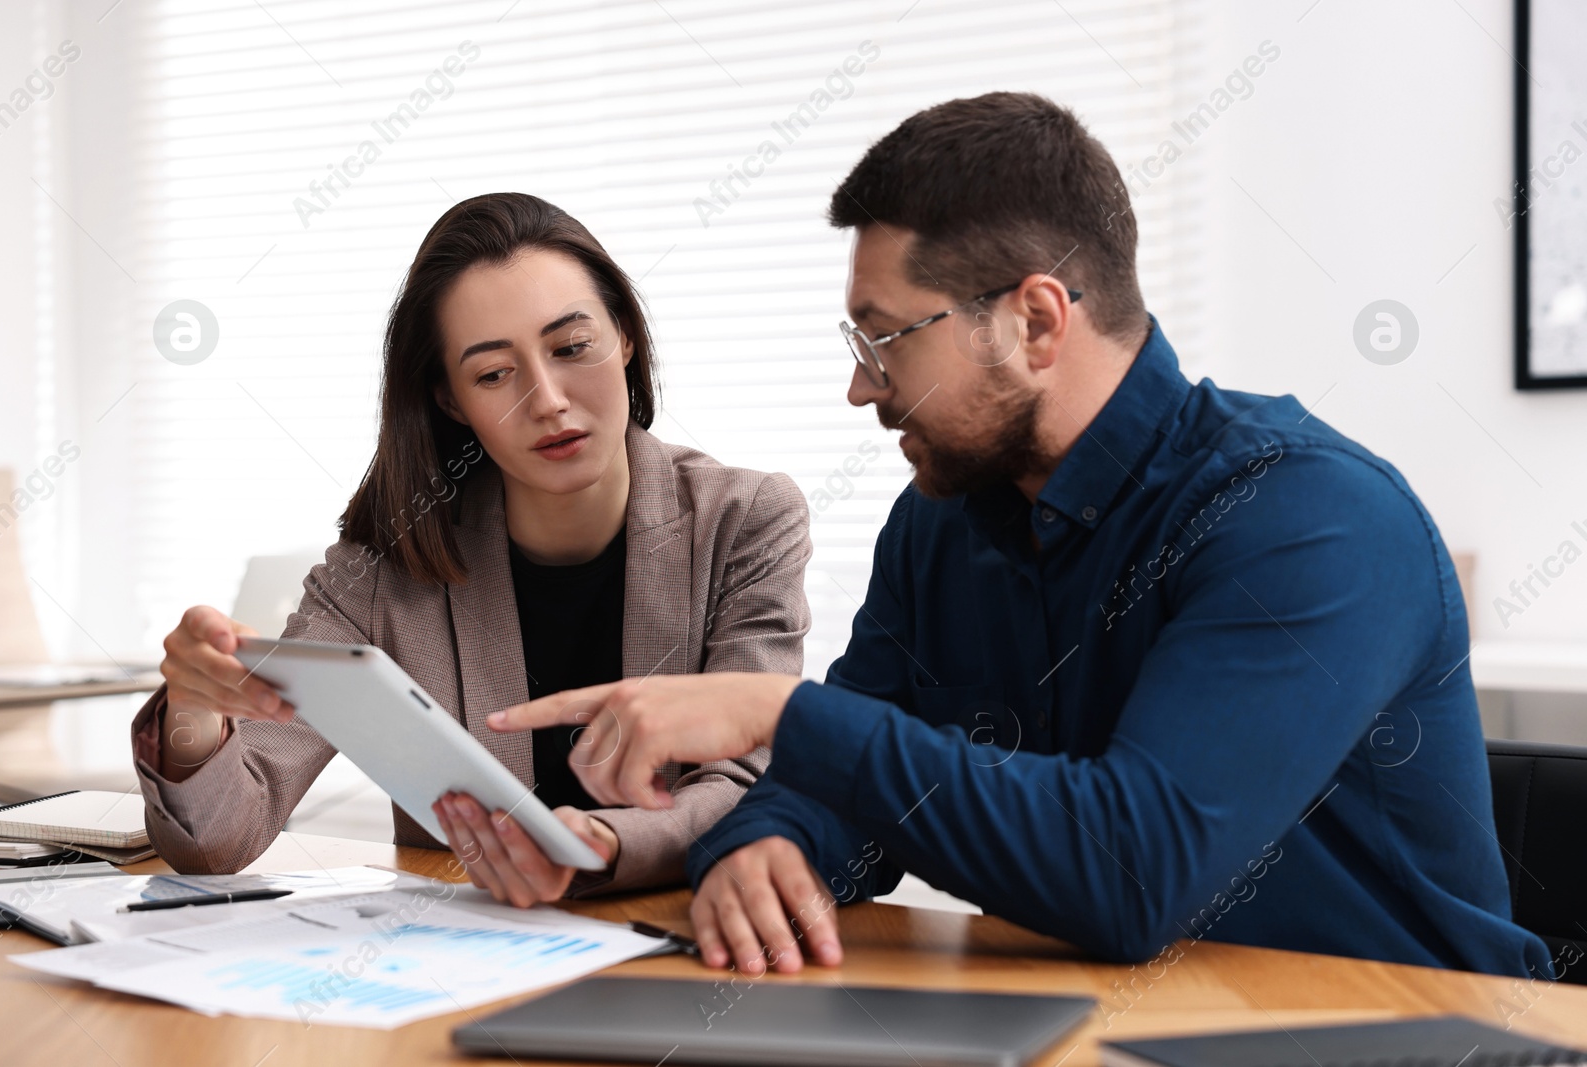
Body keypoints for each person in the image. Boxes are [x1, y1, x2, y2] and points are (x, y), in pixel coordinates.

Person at [498, 93, 1555, 981]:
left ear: (1038, 321)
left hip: (1412, 1036)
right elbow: (837, 787)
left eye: (885, 337)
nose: (860, 383)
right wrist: (765, 840)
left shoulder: (1310, 517)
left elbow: (1129, 874)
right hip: (1102, 1025)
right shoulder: (941, 521)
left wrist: (780, 709)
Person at [131, 192, 811, 905]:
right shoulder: (384, 566)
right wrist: (192, 709)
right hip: (456, 967)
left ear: (626, 337)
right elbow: (212, 844)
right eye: (494, 374)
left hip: (673, 942)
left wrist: (601, 846)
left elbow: (746, 785)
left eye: (572, 348)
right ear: (452, 400)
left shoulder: (746, 520)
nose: (546, 398)